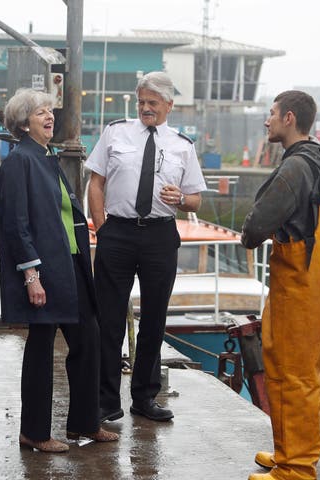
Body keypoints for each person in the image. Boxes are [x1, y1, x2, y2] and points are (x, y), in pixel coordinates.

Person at [0, 88, 118, 453]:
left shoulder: (47, 157)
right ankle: (34, 432)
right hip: (44, 270)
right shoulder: (20, 161)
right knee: (41, 348)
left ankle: (85, 422)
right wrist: (30, 275)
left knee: (88, 338)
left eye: (50, 111)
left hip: (70, 265)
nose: (50, 117)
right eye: (40, 113)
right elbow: (16, 224)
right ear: (23, 123)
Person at [85, 71, 206, 423]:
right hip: (117, 232)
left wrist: (181, 198)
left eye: (152, 103)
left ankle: (145, 397)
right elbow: (96, 183)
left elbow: (196, 200)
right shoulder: (116, 132)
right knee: (108, 319)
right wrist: (102, 228)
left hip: (159, 236)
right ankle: (107, 401)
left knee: (154, 319)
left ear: (169, 105)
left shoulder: (183, 145)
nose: (145, 109)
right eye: (141, 102)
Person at [241, 90, 320, 480]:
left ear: (290, 119)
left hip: (299, 281)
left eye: (272, 114)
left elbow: (256, 227)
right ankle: (295, 453)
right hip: (317, 276)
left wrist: (249, 231)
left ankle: (294, 469)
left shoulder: (296, 167)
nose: (267, 120)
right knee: (307, 370)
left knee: (290, 371)